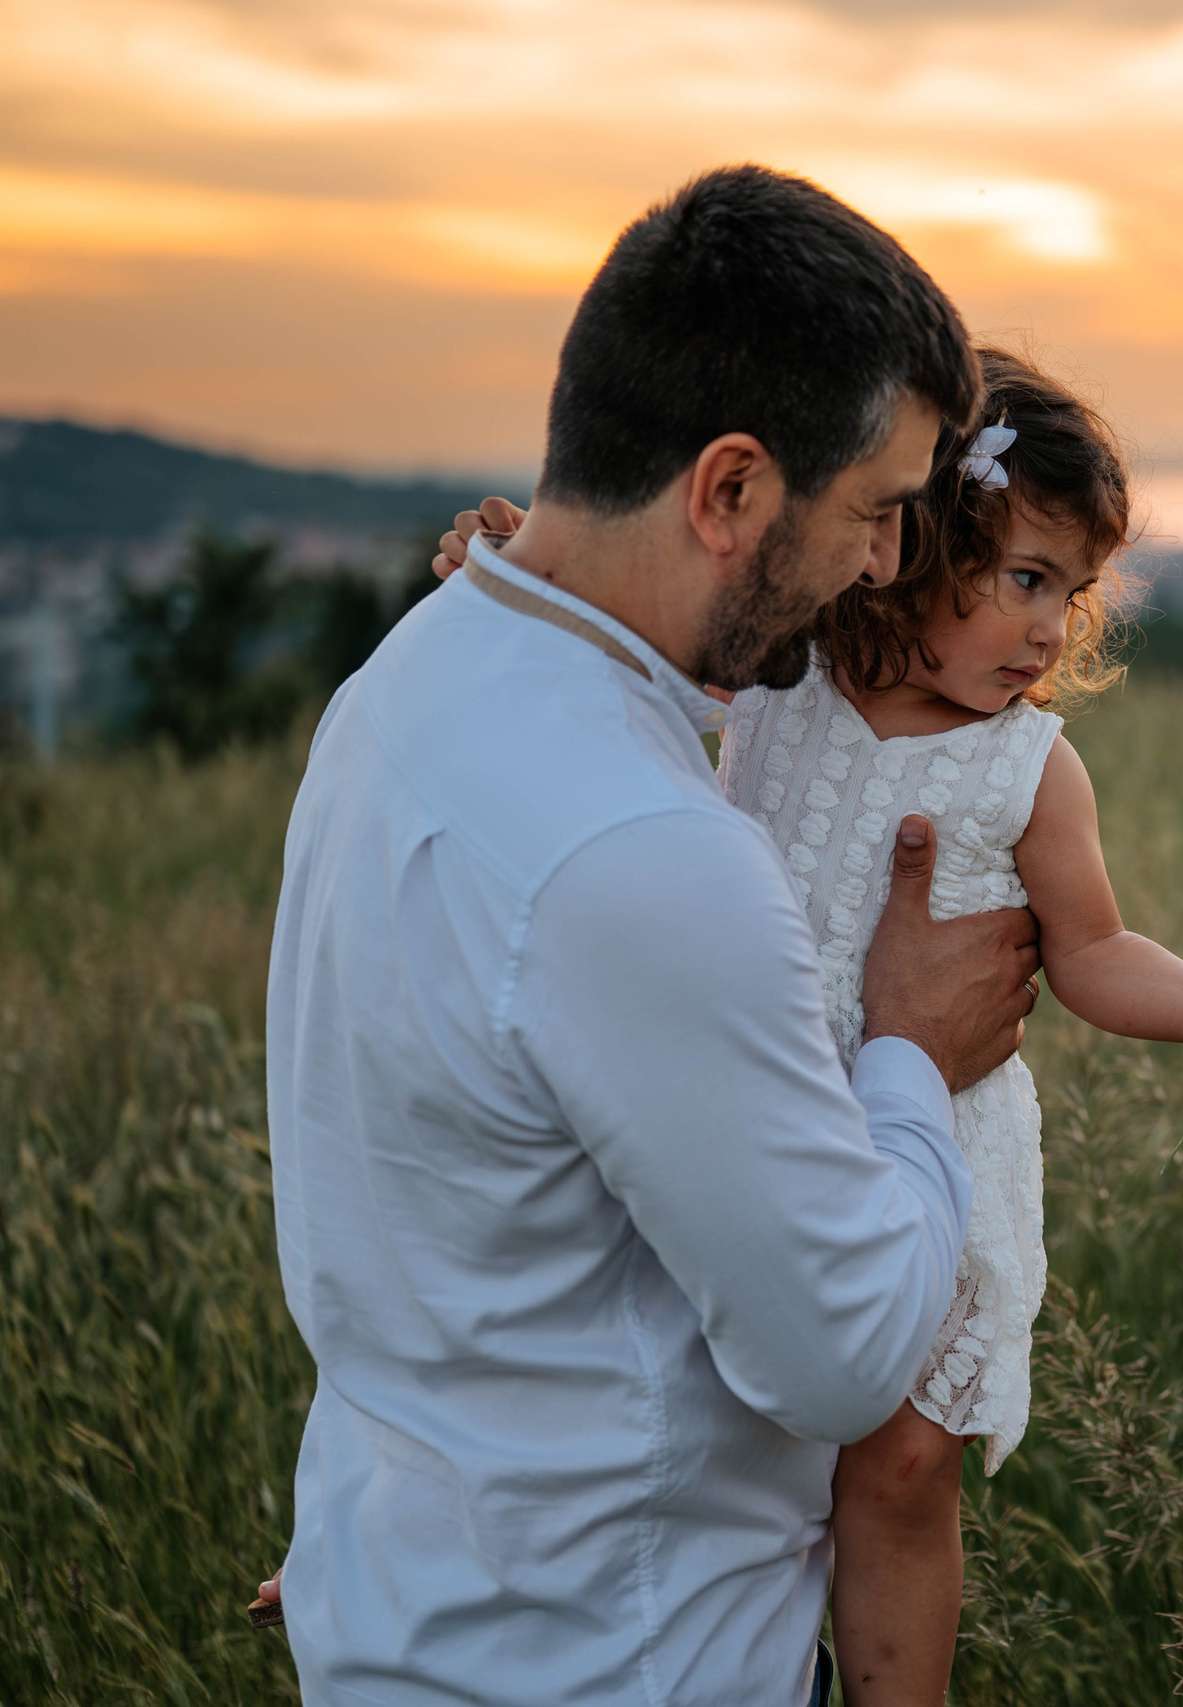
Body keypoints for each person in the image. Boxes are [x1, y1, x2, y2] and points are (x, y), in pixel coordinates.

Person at [433, 346, 1183, 1706]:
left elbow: (1094, 954)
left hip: (945, 1143)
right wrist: (514, 581)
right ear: (912, 544)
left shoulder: (1030, 766)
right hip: (748, 1112)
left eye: (1072, 593)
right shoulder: (774, 680)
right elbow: (613, 657)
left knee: (900, 1464)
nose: (1049, 630)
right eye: (1022, 578)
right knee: (705, 1421)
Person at [262, 165, 1036, 1707]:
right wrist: (908, 1054)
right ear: (729, 488)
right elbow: (843, 1353)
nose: (890, 562)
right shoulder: (644, 847)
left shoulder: (402, 685)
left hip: (407, 1609)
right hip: (618, 1654)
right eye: (875, 508)